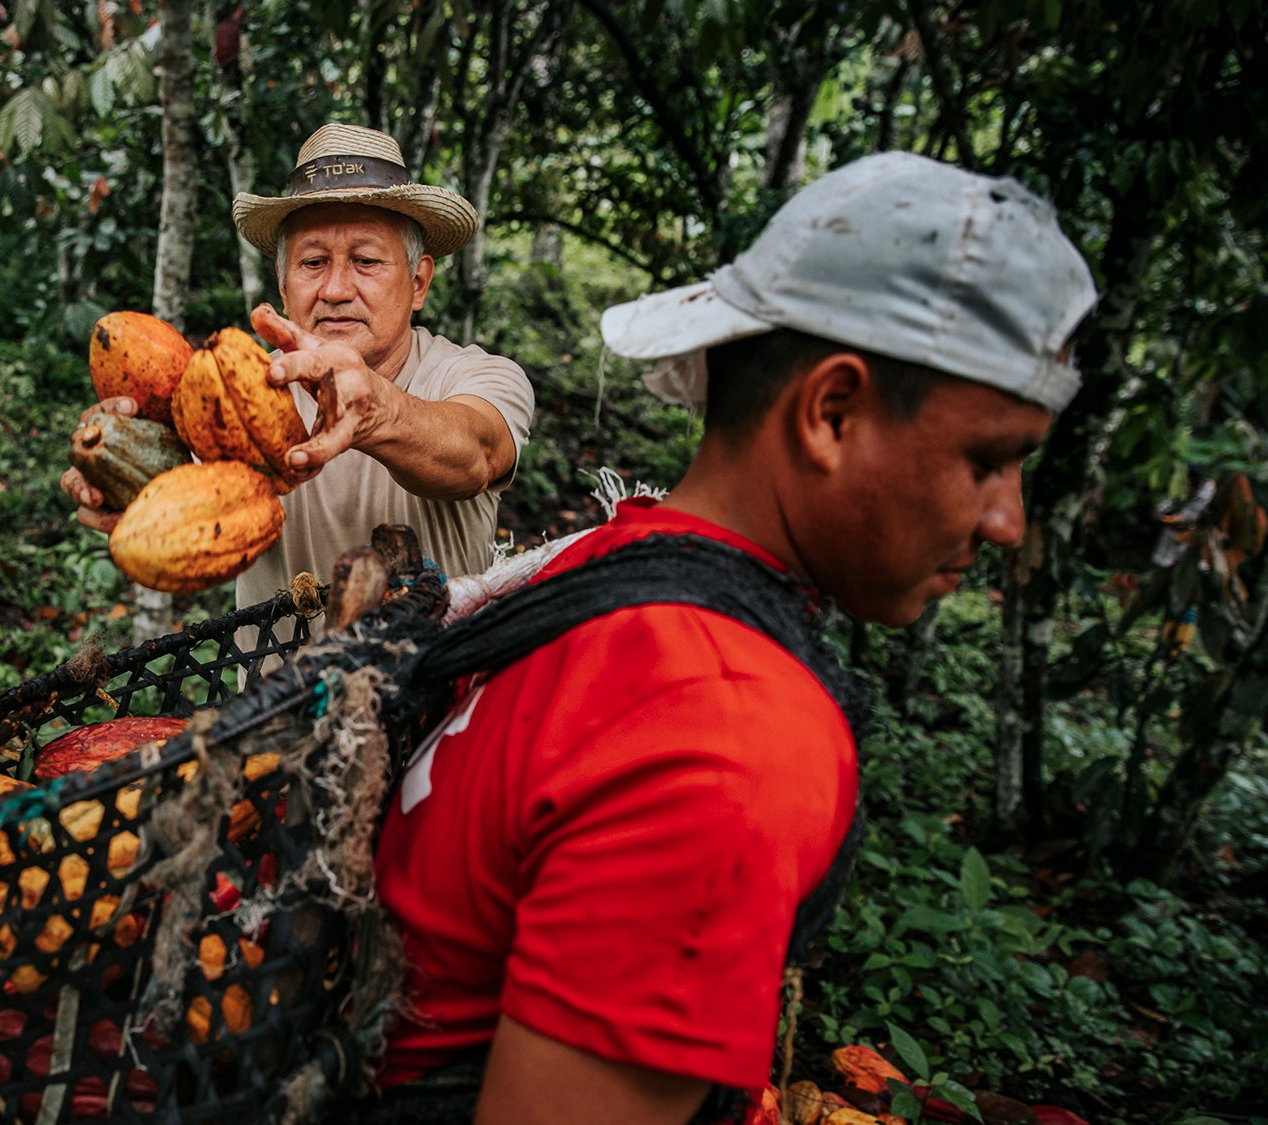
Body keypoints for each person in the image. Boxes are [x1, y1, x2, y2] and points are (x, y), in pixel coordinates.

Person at [369, 152, 1099, 1123]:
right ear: (829, 413)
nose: (1005, 519)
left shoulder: (611, 564)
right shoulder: (721, 728)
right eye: (988, 460)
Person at [61, 123, 536, 607]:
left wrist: (373, 412)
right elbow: (179, 491)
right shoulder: (235, 387)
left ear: (418, 282)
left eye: (367, 261)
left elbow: (475, 454)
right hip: (275, 684)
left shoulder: (478, 375)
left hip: (441, 681)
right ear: (283, 286)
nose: (334, 289)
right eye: (312, 263)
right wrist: (116, 464)